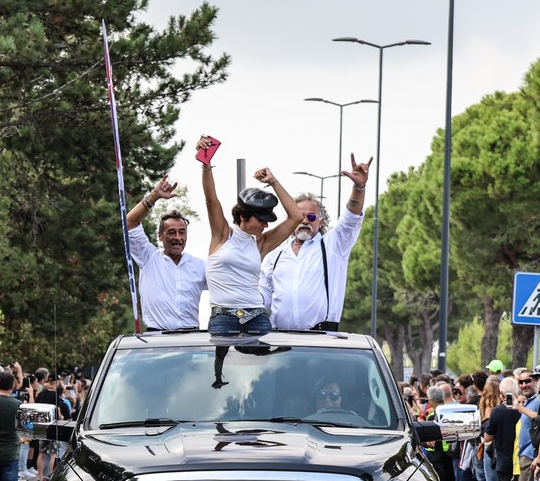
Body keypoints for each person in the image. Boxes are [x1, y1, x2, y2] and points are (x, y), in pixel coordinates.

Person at [196, 136, 303, 336]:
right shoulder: (223, 234)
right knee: (221, 365)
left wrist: (273, 182)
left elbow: (296, 216)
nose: (265, 224)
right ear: (244, 216)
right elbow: (211, 200)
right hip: (223, 315)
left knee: (265, 363)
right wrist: (206, 164)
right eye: (261, 219)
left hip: (256, 315)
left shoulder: (261, 243)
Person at [259, 155, 371, 331]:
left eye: (311, 217)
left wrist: (359, 187)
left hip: (321, 341)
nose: (304, 221)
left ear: (321, 222)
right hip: (280, 340)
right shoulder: (275, 255)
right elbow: (262, 298)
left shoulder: (333, 245)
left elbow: (350, 218)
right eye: (299, 216)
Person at [123, 177, 207, 331]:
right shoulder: (148, 258)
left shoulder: (200, 266)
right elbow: (129, 223)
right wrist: (154, 196)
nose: (177, 238)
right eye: (171, 232)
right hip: (157, 343)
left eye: (182, 232)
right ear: (160, 236)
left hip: (192, 341)